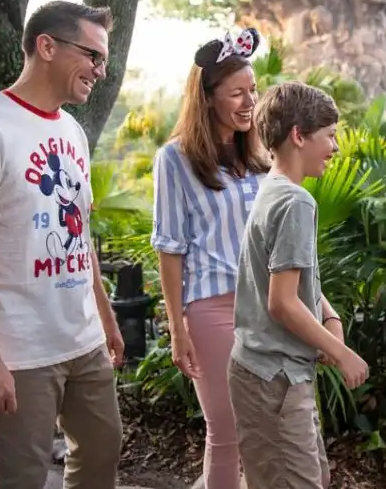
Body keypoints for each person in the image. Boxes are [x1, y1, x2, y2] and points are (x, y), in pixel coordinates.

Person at [0, 1, 124, 489]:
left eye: (104, 60)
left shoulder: (72, 132)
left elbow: (79, 234)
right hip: (18, 351)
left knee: (102, 453)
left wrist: (104, 317)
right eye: (93, 56)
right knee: (18, 478)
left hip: (82, 338)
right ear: (47, 46)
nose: (101, 71)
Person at [227, 81, 370, 489]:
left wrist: (329, 316)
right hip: (275, 378)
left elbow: (290, 277)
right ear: (298, 135)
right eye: (330, 135)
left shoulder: (271, 189)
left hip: (264, 372)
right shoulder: (296, 202)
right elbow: (282, 303)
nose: (335, 147)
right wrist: (341, 354)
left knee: (310, 476)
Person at [150, 27, 268, 488]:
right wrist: (177, 328)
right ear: (207, 97)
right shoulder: (174, 159)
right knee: (227, 431)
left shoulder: (259, 157)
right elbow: (169, 248)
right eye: (237, 93)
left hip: (266, 305)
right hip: (212, 308)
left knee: (266, 427)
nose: (249, 101)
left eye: (252, 90)